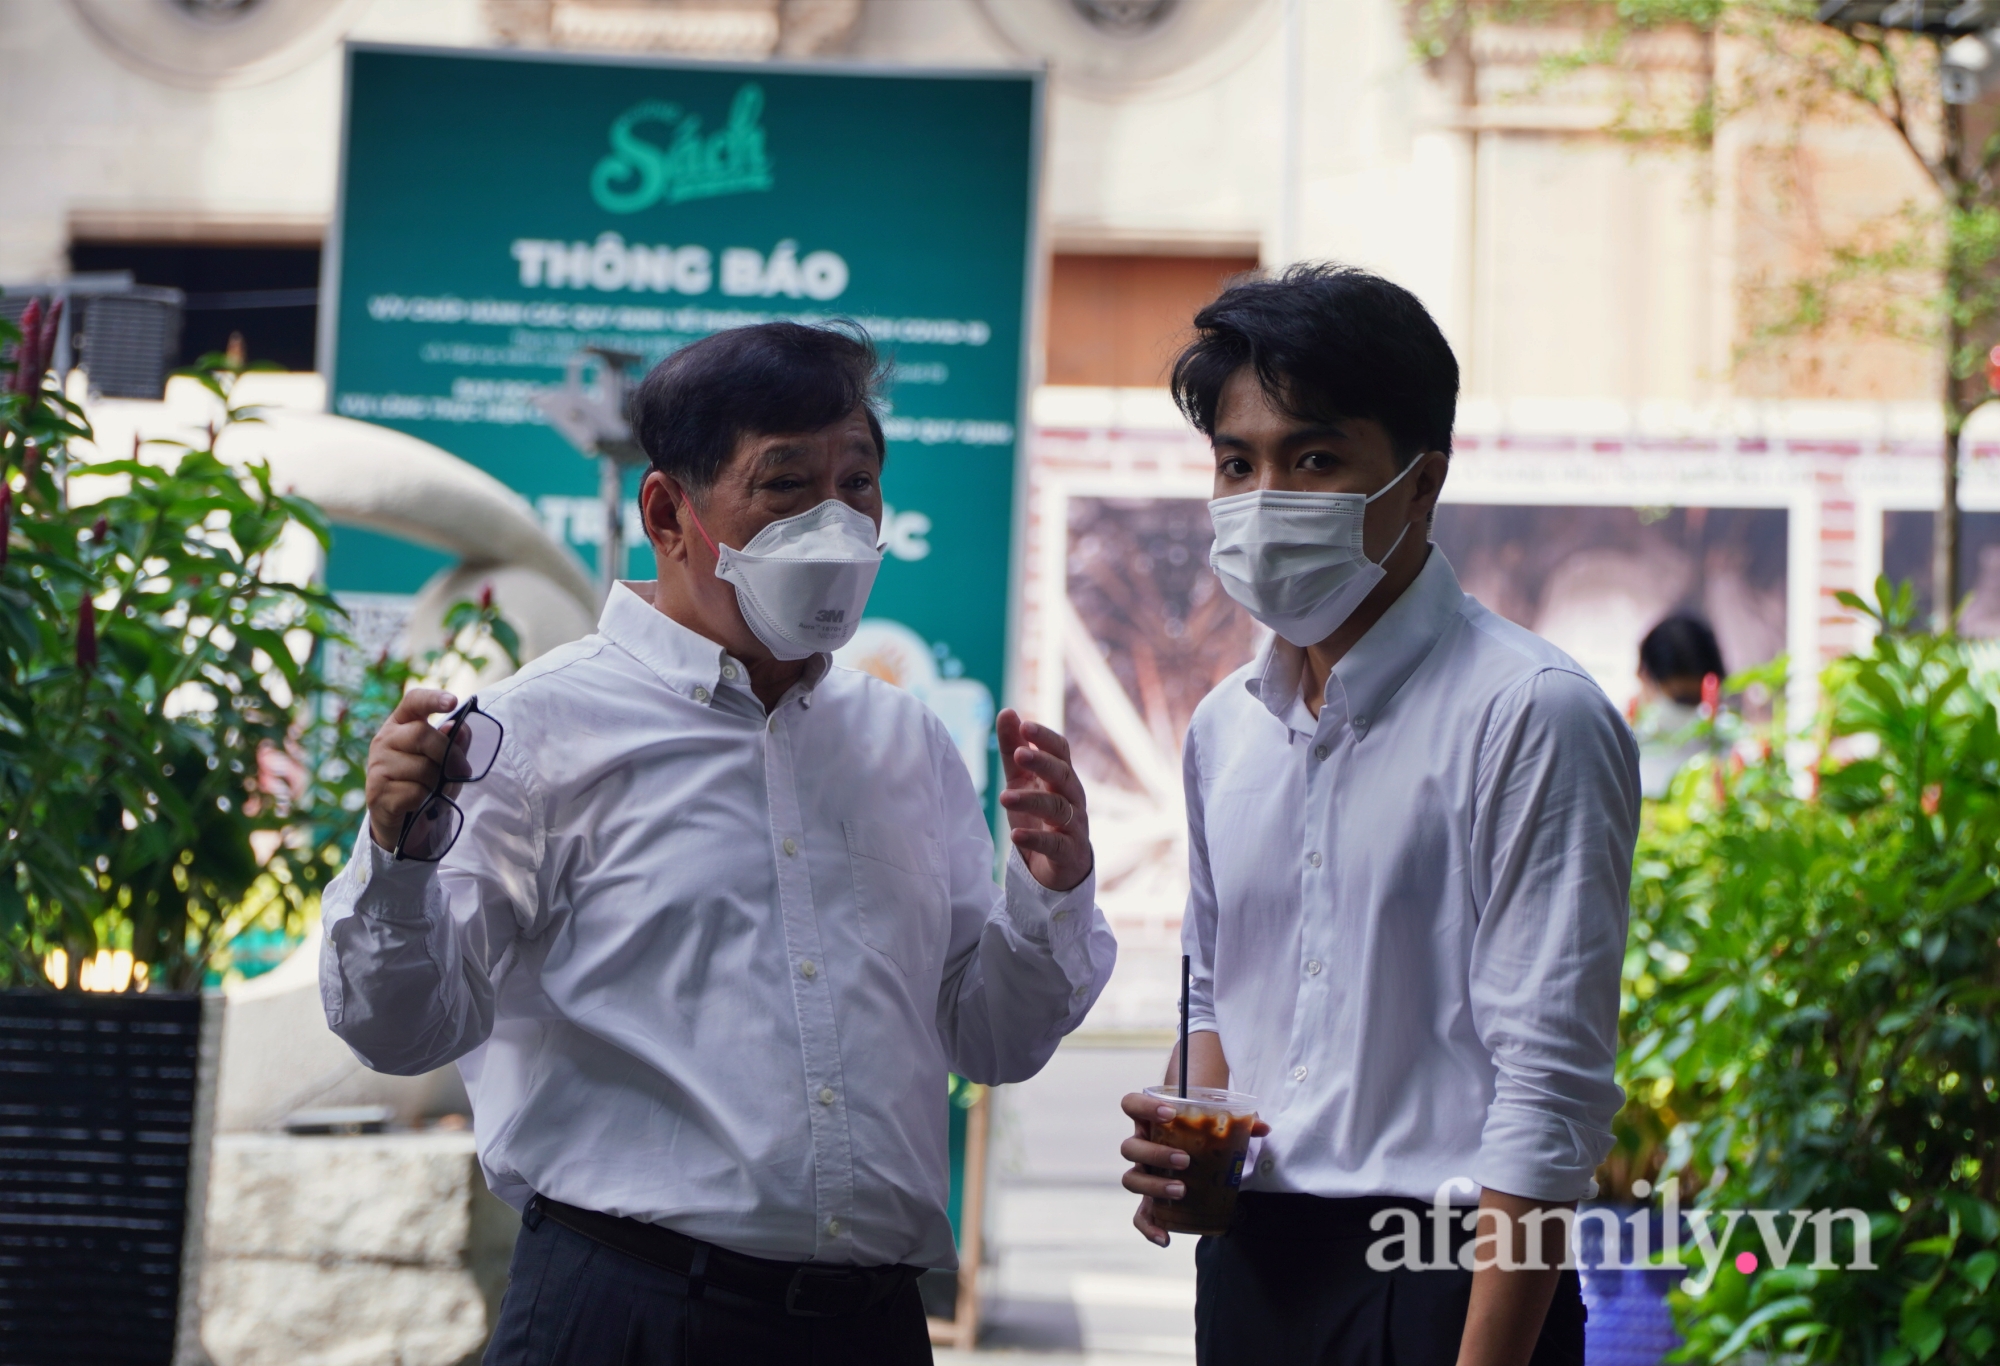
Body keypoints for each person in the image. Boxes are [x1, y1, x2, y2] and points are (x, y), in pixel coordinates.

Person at [321, 322, 1116, 1366]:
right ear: (668, 512)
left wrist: (1046, 896)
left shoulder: (904, 742)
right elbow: (400, 1029)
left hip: (869, 1330)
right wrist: (398, 863)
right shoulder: (534, 731)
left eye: (858, 484)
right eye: (783, 486)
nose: (833, 523)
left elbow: (988, 1039)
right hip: (625, 1317)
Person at [1115, 265, 1640, 1366]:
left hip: (1442, 1279)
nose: (1264, 496)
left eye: (1312, 458)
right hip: (1253, 1273)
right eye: (1235, 462)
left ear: (1418, 481)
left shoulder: (1530, 714)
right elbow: (1216, 984)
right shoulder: (1225, 727)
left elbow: (1549, 1083)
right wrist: (1194, 1142)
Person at [1633, 613, 1725, 798]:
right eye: (1680, 700)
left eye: (1696, 700)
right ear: (1644, 677)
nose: (1691, 715)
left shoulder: (1731, 738)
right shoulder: (1631, 742)